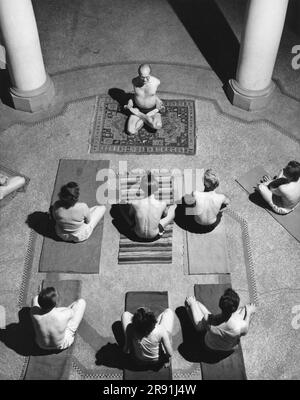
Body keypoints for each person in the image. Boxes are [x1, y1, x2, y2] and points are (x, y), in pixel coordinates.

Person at [185, 289, 256, 352]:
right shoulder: (242, 326)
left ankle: (192, 303)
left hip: (209, 346)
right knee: (246, 309)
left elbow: (199, 327)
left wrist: (192, 304)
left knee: (195, 304)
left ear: (220, 304)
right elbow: (244, 332)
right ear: (234, 309)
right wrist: (249, 313)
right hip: (229, 348)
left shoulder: (208, 319)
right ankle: (247, 311)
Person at [122, 172, 177, 241]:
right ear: (156, 188)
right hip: (155, 236)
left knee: (122, 206)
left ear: (142, 188)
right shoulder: (162, 204)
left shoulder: (135, 203)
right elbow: (165, 215)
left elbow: (130, 215)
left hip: (136, 235)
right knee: (174, 207)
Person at [125, 64, 165, 135]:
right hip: (138, 108)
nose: (145, 80)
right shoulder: (134, 81)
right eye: (142, 77)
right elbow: (135, 95)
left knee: (157, 126)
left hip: (152, 110)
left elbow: (154, 95)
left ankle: (141, 116)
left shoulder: (156, 82)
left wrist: (159, 104)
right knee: (131, 131)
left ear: (150, 73)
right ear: (139, 74)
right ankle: (146, 119)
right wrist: (130, 103)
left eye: (147, 77)